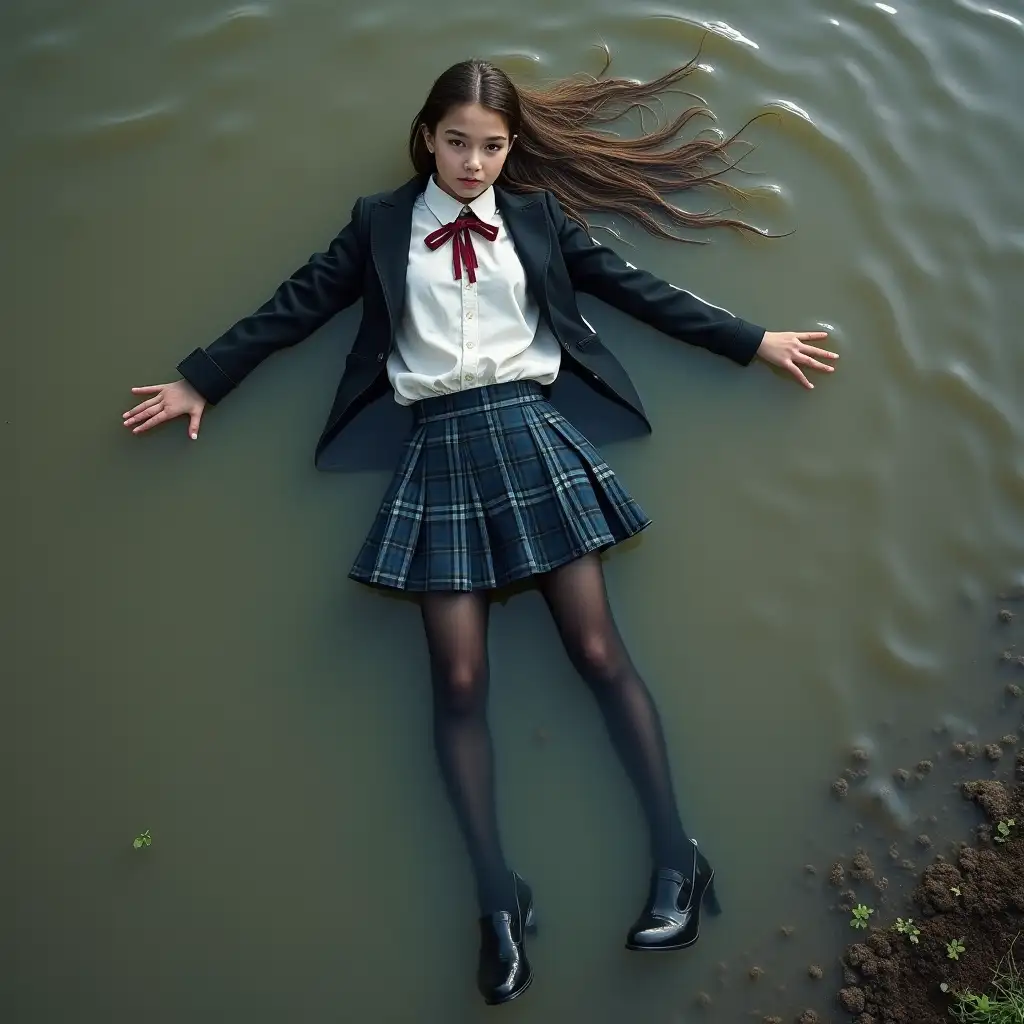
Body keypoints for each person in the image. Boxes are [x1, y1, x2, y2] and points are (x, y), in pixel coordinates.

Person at [122, 55, 838, 1006]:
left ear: (511, 149)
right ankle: (497, 898)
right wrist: (200, 378)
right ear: (427, 137)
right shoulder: (379, 226)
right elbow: (293, 308)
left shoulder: (538, 221)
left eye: (491, 146)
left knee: (595, 650)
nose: (473, 162)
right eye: (457, 141)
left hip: (533, 438)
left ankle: (677, 859)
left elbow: (638, 288)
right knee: (457, 677)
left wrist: (754, 341)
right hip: (438, 452)